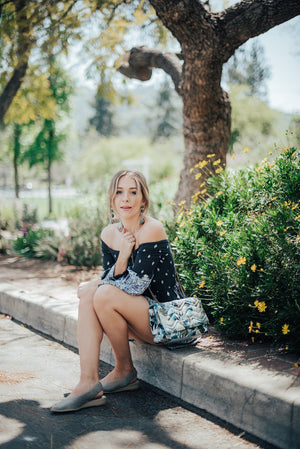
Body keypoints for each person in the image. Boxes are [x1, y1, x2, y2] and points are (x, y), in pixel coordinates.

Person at [51, 169, 194, 413]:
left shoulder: (152, 229)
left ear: (143, 200)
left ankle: (124, 370)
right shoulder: (108, 235)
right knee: (90, 295)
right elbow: (111, 278)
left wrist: (101, 281)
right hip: (140, 320)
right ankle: (88, 382)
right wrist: (122, 258)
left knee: (100, 291)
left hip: (170, 321)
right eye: (119, 192)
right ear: (112, 200)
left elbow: (135, 286)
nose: (125, 199)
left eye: (132, 192)